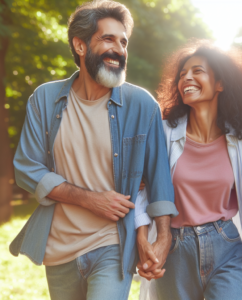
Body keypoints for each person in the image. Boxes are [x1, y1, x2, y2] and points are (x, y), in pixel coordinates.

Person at [9, 1, 178, 299]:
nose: (119, 49)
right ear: (80, 45)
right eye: (108, 39)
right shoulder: (45, 99)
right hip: (59, 249)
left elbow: (159, 179)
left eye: (123, 42)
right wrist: (90, 200)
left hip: (112, 245)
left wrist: (163, 236)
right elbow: (27, 168)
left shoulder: (142, 106)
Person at [135, 40, 242, 300]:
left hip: (226, 246)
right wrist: (144, 242)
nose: (186, 77)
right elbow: (143, 193)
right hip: (175, 250)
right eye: (182, 74)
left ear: (220, 83)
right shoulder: (164, 132)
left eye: (197, 71)